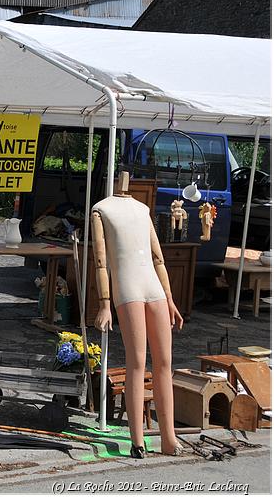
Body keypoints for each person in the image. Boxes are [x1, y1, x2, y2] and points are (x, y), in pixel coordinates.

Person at [91, 172, 184, 458]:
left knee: (165, 363)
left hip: (154, 287)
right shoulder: (101, 209)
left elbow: (158, 257)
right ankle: (138, 440)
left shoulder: (143, 209)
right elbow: (101, 260)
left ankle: (169, 438)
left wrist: (170, 299)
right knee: (137, 362)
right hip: (127, 288)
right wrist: (105, 303)